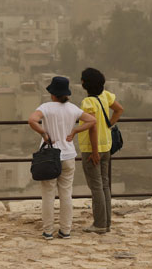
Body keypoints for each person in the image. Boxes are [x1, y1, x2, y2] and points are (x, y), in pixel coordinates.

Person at [28, 76, 96, 240]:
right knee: (66, 194)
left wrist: (44, 134)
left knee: (48, 194)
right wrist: (74, 131)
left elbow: (32, 120)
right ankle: (65, 230)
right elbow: (92, 120)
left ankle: (48, 231)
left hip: (49, 157)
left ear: (52, 93)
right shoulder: (73, 109)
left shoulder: (46, 107)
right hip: (68, 156)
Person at [68, 67, 123, 234]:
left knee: (96, 186)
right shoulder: (106, 96)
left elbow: (91, 128)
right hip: (106, 145)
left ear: (85, 84)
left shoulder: (88, 103)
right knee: (105, 185)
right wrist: (108, 125)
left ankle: (99, 224)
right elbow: (119, 109)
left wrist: (93, 151)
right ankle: (106, 222)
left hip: (92, 148)